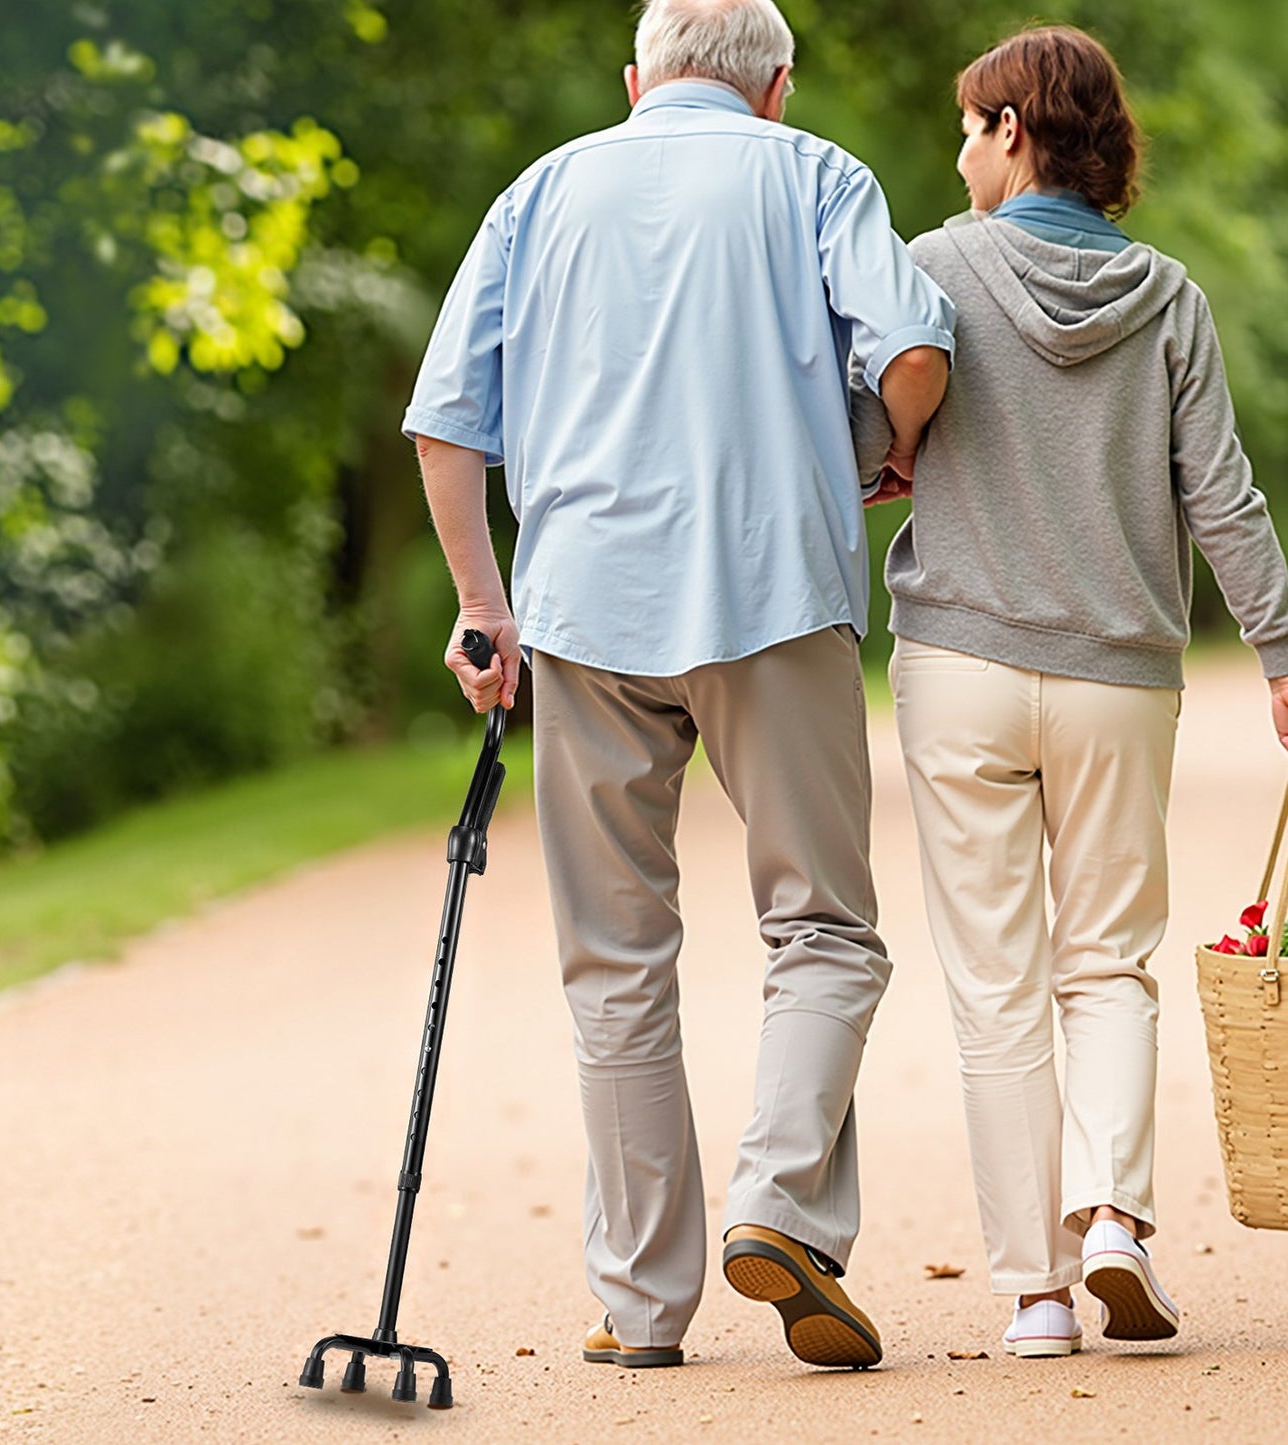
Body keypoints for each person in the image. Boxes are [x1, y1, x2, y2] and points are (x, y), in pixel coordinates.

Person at [404, 0, 954, 1371]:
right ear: (774, 89)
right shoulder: (816, 173)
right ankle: (779, 1205)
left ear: (636, 80)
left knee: (614, 963)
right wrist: (883, 443)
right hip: (775, 597)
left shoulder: (540, 190)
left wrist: (487, 608)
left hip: (587, 609)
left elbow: (445, 421)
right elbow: (916, 350)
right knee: (823, 928)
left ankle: (643, 1307)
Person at [853, 24, 1288, 1358]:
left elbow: (873, 438)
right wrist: (1278, 648)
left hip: (960, 669)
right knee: (1107, 963)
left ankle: (1035, 1293)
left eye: (972, 124)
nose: (959, 148)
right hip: (1114, 675)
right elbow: (1220, 495)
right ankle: (1115, 1222)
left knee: (993, 985)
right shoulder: (1165, 297)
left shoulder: (926, 272)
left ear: (1015, 134)